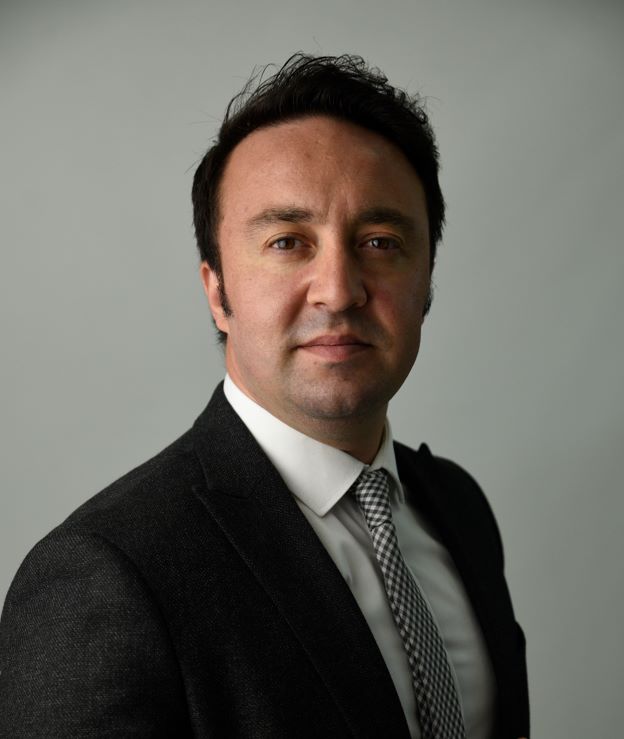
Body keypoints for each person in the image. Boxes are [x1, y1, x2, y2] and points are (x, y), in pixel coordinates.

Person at [0, 54, 529, 738]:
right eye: (287, 242)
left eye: (380, 241)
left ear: (427, 281)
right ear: (217, 291)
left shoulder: (459, 509)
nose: (338, 290)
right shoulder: (106, 577)